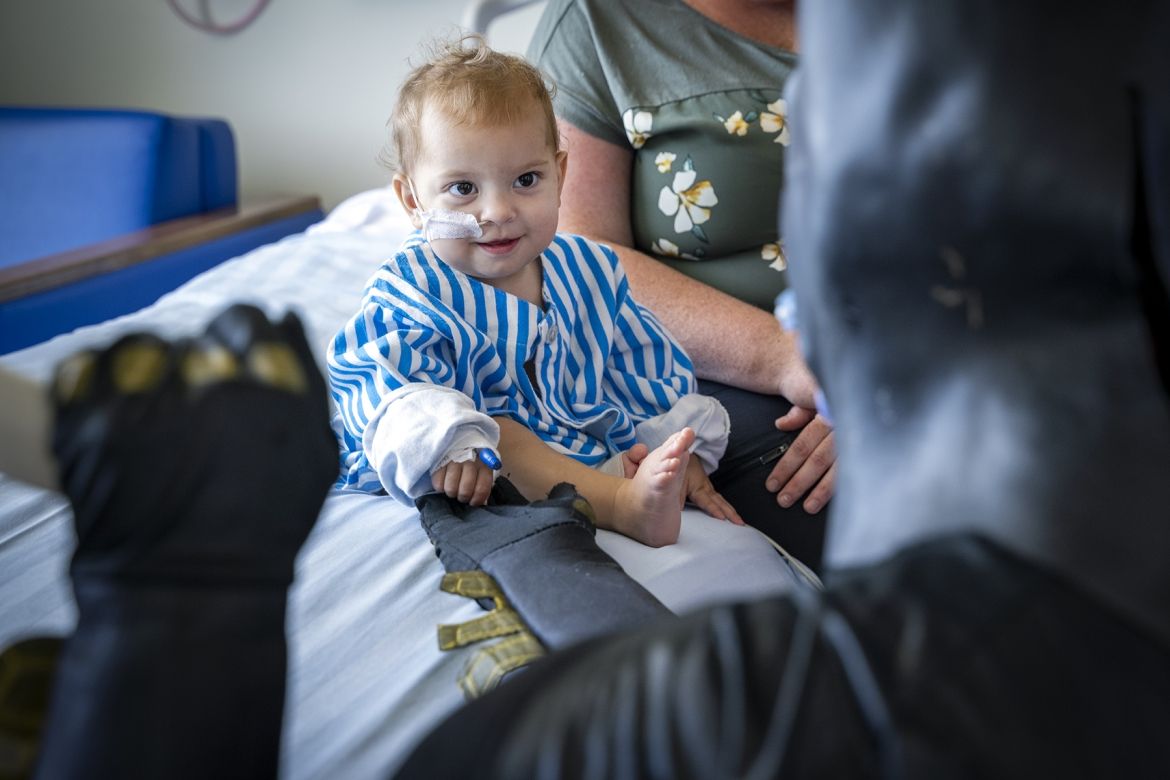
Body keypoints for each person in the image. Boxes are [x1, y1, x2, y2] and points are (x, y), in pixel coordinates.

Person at [328, 36, 743, 548]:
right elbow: (386, 386)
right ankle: (620, 507)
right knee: (503, 433)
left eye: (526, 179)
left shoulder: (590, 269)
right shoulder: (411, 288)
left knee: (633, 449)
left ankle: (623, 483)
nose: (498, 211)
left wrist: (672, 447)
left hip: (580, 450)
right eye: (463, 189)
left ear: (560, 174)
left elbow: (642, 362)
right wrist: (447, 442)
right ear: (412, 200)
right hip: (474, 469)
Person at [527, 0, 834, 568]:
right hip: (732, 370)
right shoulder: (599, 22)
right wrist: (793, 360)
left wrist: (901, 379)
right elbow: (581, 258)